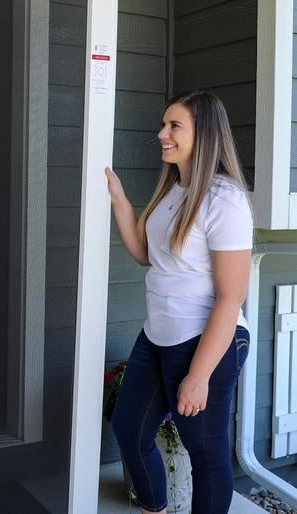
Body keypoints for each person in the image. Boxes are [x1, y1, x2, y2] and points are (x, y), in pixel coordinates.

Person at [106, 91, 253, 514]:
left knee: (204, 456)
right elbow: (145, 255)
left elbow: (231, 297)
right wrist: (118, 197)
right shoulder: (174, 190)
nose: (161, 134)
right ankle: (157, 509)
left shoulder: (224, 201)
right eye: (164, 124)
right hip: (158, 335)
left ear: (203, 135)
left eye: (174, 126)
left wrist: (199, 374)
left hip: (204, 342)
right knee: (130, 429)